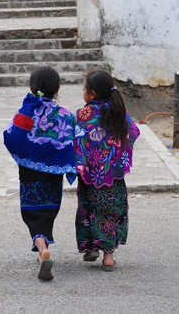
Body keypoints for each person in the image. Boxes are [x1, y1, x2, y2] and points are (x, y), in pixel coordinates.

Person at [3, 66, 76, 281]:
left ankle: (42, 249)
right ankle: (44, 247)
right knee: (47, 212)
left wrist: (26, 155)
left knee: (32, 213)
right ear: (58, 88)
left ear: (31, 87)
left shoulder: (25, 112)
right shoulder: (65, 115)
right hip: (53, 177)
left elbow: (10, 135)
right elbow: (73, 140)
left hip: (28, 176)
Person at [74, 70, 140, 271]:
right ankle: (108, 257)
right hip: (115, 176)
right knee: (112, 213)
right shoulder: (121, 113)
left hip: (90, 177)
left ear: (92, 94)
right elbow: (134, 132)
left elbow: (77, 140)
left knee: (89, 210)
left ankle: (91, 247)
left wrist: (81, 161)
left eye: (84, 89)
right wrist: (118, 156)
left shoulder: (83, 114)